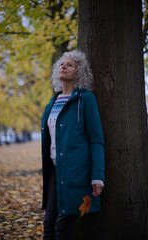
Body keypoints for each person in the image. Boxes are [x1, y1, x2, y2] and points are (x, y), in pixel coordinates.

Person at [41, 50, 105, 240]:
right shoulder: (52, 102)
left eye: (70, 65)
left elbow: (96, 139)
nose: (63, 66)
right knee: (48, 224)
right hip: (54, 172)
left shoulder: (85, 99)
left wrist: (98, 177)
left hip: (77, 173)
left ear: (79, 72)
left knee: (62, 227)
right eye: (62, 64)